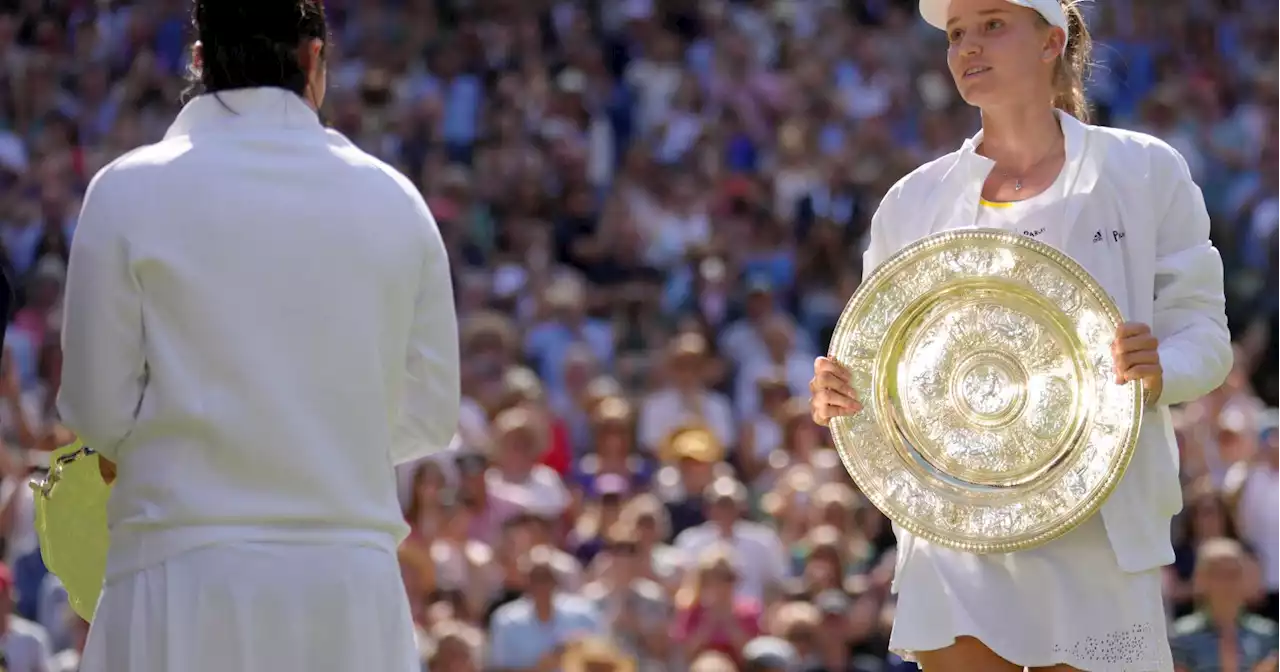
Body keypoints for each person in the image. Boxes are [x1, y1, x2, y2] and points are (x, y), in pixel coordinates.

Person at [808, 0, 1232, 670]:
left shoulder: (1146, 170)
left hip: (1100, 524)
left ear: (1050, 42)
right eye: (955, 35)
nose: (967, 47)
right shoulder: (911, 202)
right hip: (953, 535)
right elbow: (881, 360)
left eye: (992, 25)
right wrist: (844, 389)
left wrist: (1159, 372)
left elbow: (1204, 335)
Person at [56, 1, 459, 670]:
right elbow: (432, 415)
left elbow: (97, 412)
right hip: (346, 588)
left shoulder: (126, 191)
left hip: (180, 574)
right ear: (313, 61)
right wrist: (314, 440)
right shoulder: (396, 199)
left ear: (198, 61)